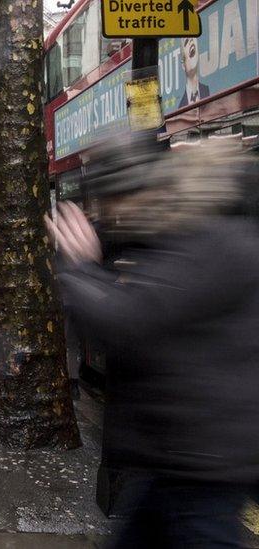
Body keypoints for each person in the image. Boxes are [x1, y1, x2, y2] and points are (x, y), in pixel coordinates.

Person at [45, 135, 259, 547]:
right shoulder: (207, 243)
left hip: (199, 458)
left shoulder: (214, 247)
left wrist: (81, 268)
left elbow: (128, 320)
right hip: (180, 454)